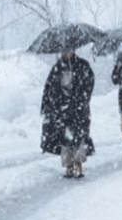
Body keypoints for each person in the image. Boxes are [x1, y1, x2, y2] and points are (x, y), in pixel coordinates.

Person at [40, 50, 95, 178]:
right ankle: (69, 165)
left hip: (78, 109)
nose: (66, 53)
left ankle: (78, 164)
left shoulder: (82, 66)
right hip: (63, 110)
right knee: (65, 138)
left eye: (68, 50)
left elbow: (88, 85)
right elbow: (50, 88)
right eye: (64, 51)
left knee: (79, 136)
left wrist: (79, 97)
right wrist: (54, 103)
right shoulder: (57, 68)